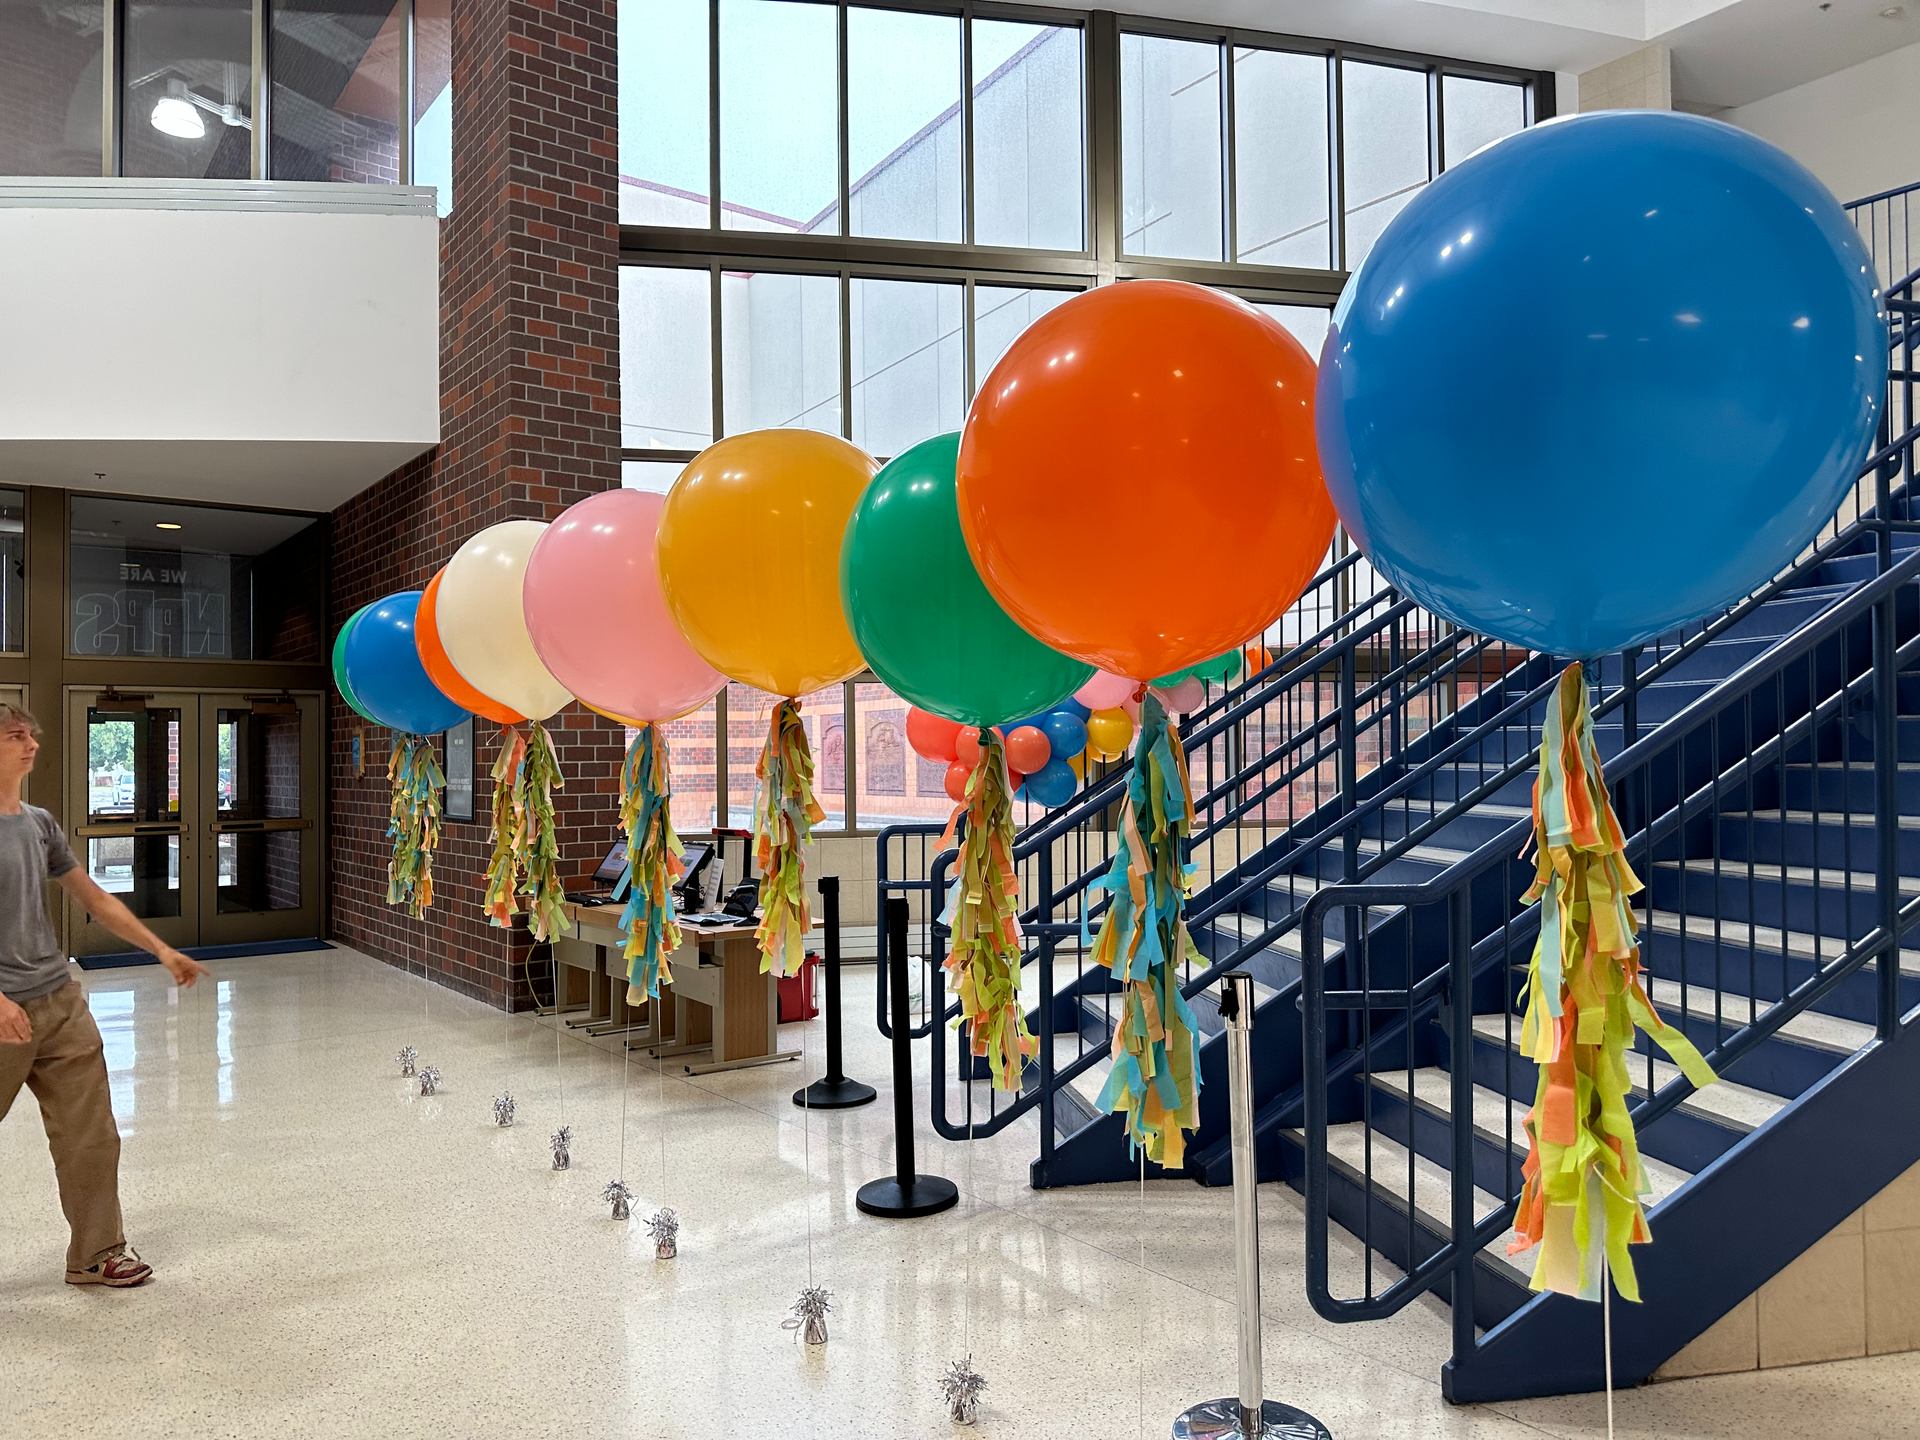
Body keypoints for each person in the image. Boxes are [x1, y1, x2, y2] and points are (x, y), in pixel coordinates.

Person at [0, 701, 208, 1287]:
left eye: (32, 734)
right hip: (2, 1008)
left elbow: (94, 898)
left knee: (92, 1137)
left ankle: (97, 1253)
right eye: (16, 735)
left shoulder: (38, 823)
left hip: (58, 1001)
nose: (32, 744)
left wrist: (160, 949)